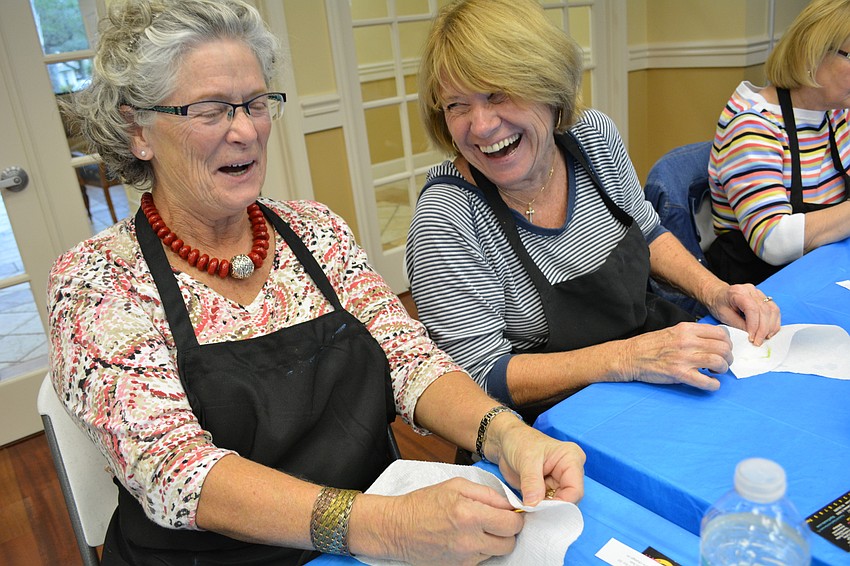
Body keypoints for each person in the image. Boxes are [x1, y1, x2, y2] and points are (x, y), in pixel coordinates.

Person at [47, 1, 586, 564]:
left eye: (256, 104)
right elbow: (177, 473)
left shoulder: (316, 230)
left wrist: (504, 433)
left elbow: (410, 361)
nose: (245, 131)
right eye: (211, 110)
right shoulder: (95, 282)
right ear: (138, 130)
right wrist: (387, 525)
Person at [406, 0, 781, 420]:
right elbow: (479, 375)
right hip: (552, 422)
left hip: (653, 366)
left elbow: (648, 233)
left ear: (548, 85)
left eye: (498, 94)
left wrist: (716, 292)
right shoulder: (447, 217)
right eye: (456, 105)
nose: (481, 126)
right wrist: (627, 359)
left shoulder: (593, 137)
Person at [707, 0, 850, 285]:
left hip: (821, 269)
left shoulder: (837, 112)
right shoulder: (753, 125)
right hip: (764, 287)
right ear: (812, 54)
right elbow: (772, 241)